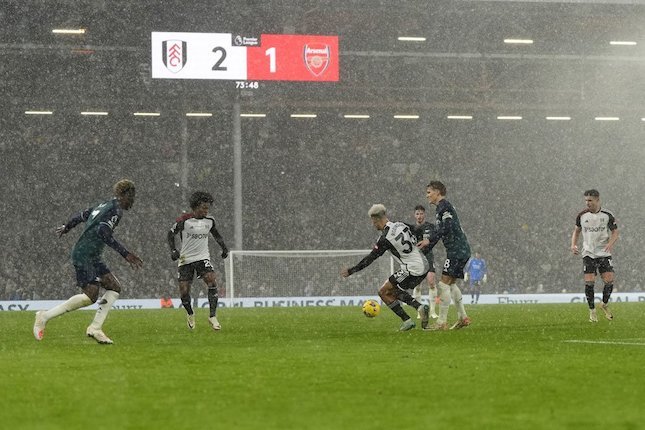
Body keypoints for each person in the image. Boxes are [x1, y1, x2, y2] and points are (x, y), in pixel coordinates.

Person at [33, 179, 144, 344]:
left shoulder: (104, 205)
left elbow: (82, 215)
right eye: (131, 196)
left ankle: (95, 328)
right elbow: (103, 233)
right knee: (91, 295)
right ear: (122, 195)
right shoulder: (115, 210)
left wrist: (67, 226)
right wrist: (125, 254)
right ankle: (44, 316)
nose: (132, 200)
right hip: (84, 254)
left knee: (114, 287)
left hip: (93, 255)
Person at [341, 204, 431, 331]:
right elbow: (418, 229)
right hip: (423, 264)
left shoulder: (385, 238)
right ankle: (418, 309)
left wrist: (351, 270)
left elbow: (370, 258)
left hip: (412, 269)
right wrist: (425, 238)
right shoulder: (400, 224)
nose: (373, 225)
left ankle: (409, 318)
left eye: (373, 222)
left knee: (383, 292)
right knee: (392, 290)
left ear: (378, 219)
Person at [168, 191, 229, 331]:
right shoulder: (184, 221)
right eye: (203, 208)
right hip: (185, 260)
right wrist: (173, 249)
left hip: (202, 258)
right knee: (184, 292)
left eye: (207, 208)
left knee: (212, 281)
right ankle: (190, 313)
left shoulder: (210, 221)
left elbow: (217, 236)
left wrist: (224, 248)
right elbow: (170, 234)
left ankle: (212, 316)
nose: (206, 211)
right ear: (195, 207)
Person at [417, 181, 471, 330]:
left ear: (438, 192)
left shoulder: (444, 206)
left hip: (457, 249)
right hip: (459, 249)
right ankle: (463, 317)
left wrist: (429, 241)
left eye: (429, 192)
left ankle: (441, 322)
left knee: (443, 284)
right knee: (451, 284)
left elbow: (447, 226)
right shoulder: (441, 207)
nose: (427, 195)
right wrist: (429, 245)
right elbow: (442, 231)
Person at [570, 189, 618, 322]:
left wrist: (610, 243)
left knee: (609, 281)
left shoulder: (607, 215)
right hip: (588, 253)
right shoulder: (582, 215)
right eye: (586, 200)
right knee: (589, 283)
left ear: (597, 200)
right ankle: (592, 311)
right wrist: (573, 245)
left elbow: (615, 232)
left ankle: (604, 304)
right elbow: (576, 231)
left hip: (604, 253)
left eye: (590, 200)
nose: (587, 203)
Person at [412, 205, 439, 319]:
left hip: (428, 256)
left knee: (431, 282)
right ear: (414, 215)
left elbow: (436, 237)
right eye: (417, 214)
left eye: (421, 213)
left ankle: (432, 311)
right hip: (416, 258)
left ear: (424, 214)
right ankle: (420, 311)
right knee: (417, 285)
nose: (419, 216)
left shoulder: (430, 227)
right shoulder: (411, 229)